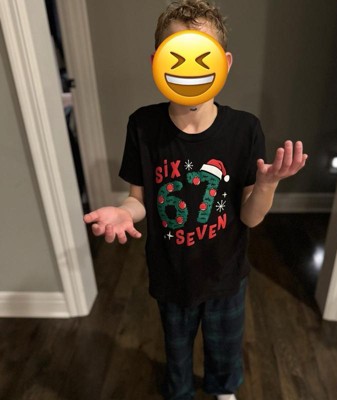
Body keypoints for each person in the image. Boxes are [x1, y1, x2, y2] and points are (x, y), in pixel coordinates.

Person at [84, 1, 307, 399]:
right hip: (171, 275)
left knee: (225, 347)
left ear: (225, 63)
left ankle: (223, 390)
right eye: (177, 57)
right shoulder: (143, 126)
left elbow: (250, 218)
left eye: (203, 57)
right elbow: (139, 200)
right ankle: (179, 391)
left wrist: (267, 185)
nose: (189, 69)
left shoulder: (244, 130)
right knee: (177, 349)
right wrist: (123, 211)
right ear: (157, 62)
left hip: (225, 274)